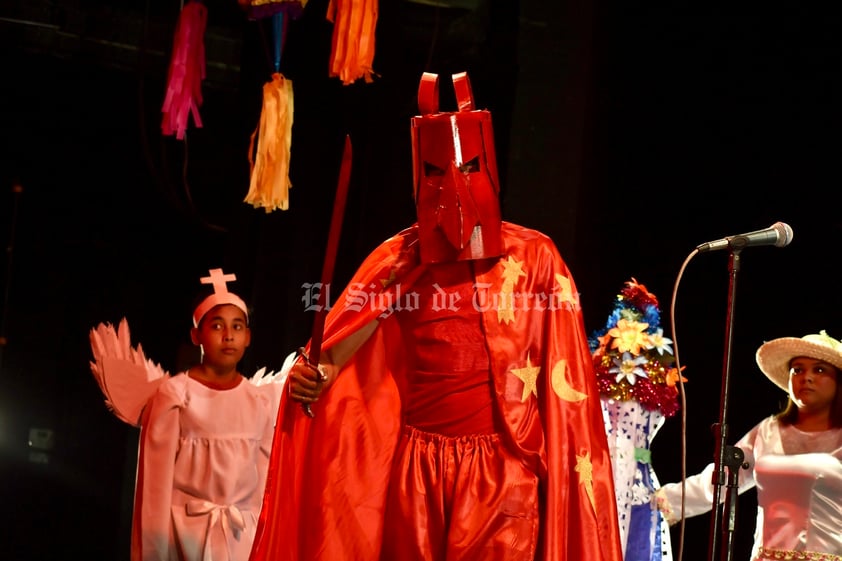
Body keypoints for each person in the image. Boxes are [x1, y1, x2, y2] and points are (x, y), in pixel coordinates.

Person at [249, 72, 623, 561]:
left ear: (488, 167)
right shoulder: (398, 260)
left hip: (501, 472)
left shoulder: (535, 258)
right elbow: (334, 357)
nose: (452, 187)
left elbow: (567, 385)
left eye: (468, 167)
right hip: (417, 472)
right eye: (435, 172)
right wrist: (313, 374)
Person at [89, 268, 287, 561]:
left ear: (248, 337)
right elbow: (154, 487)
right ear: (197, 335)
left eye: (237, 327)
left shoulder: (257, 400)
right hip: (184, 536)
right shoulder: (176, 395)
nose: (229, 336)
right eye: (217, 326)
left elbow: (264, 481)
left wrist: (261, 537)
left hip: (239, 537)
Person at [654, 330, 842, 560]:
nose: (806, 377)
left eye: (820, 369)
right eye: (798, 369)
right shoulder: (768, 431)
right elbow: (716, 482)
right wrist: (656, 503)